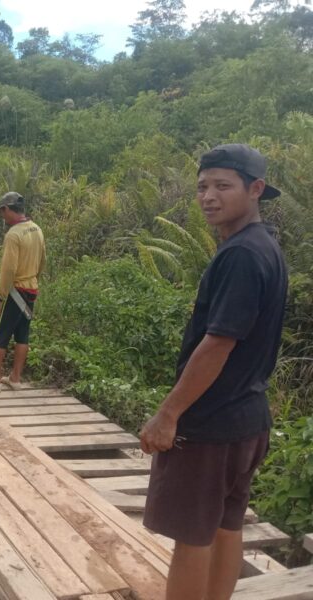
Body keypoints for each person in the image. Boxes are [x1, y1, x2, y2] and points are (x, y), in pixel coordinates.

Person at [139, 144, 287, 600]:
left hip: (213, 422)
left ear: (256, 189)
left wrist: (167, 414)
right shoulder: (265, 247)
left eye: (223, 185)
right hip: (247, 419)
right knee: (226, 524)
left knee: (193, 537)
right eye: (202, 186)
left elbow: (218, 343)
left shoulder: (241, 254)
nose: (208, 196)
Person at [0, 192, 45, 393]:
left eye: (2, 212)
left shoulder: (13, 235)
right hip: (31, 289)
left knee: (1, 334)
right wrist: (32, 278)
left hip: (14, 292)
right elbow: (42, 261)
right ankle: (15, 378)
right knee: (23, 335)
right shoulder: (36, 229)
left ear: (7, 209)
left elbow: (8, 270)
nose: (2, 217)